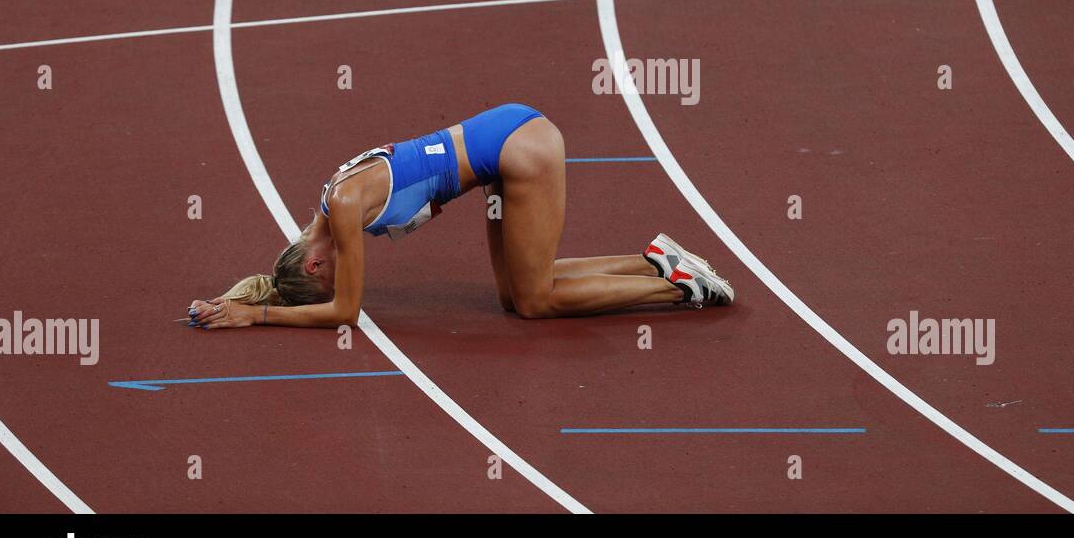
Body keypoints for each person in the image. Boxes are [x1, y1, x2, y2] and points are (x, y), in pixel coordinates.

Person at [189, 103, 733, 329]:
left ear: (313, 267)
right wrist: (238, 298)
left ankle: (680, 287)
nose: (345, 275)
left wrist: (258, 317)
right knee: (513, 296)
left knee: (536, 302)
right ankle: (656, 261)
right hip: (500, 144)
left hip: (518, 150)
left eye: (328, 278)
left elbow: (345, 312)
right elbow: (281, 275)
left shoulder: (347, 210)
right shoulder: (326, 209)